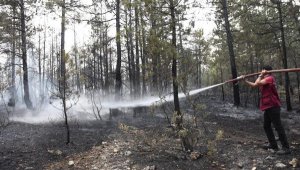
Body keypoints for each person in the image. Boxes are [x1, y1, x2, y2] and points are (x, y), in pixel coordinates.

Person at [242, 65, 291, 155]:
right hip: (268, 106)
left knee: (278, 126)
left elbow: (257, 83)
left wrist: (261, 75)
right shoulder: (265, 79)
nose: (261, 71)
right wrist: (245, 80)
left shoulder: (270, 78)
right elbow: (254, 85)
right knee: (266, 126)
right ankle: (273, 145)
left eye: (263, 70)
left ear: (266, 71)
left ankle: (286, 148)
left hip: (273, 106)